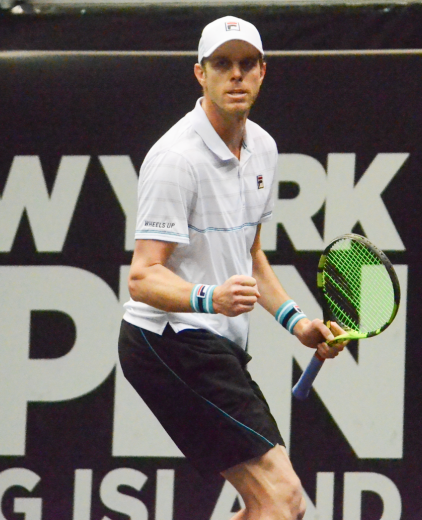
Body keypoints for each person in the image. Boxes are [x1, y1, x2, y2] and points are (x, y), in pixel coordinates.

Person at [118, 15, 346, 520]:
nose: (235, 75)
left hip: (213, 342)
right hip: (168, 339)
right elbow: (141, 277)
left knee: (274, 505)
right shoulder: (176, 159)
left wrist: (298, 323)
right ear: (200, 73)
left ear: (264, 71)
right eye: (222, 64)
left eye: (246, 64)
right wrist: (209, 297)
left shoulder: (263, 148)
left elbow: (252, 255)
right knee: (282, 499)